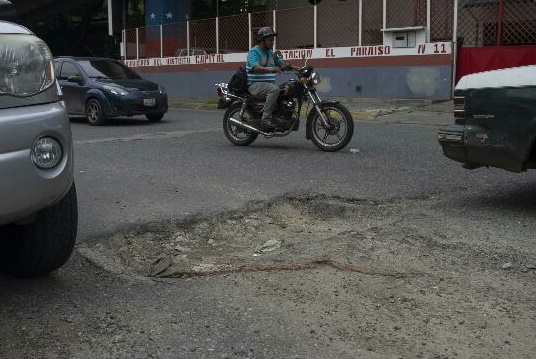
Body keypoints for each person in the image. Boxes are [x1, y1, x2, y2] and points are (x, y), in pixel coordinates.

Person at [246, 26, 298, 129]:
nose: (272, 42)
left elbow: (282, 65)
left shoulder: (271, 53)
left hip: (267, 85)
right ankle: (265, 119)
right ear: (262, 40)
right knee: (274, 90)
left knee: (288, 88)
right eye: (270, 40)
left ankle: (280, 117)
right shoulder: (254, 52)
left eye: (273, 40)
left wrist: (298, 68)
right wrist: (272, 69)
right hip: (254, 85)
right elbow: (256, 68)